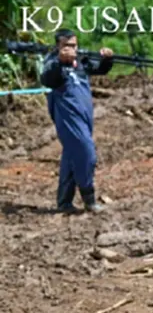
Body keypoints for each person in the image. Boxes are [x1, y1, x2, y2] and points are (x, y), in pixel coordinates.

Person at [40, 29, 112, 213]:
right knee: (86, 154)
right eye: (66, 46)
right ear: (58, 46)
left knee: (72, 156)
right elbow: (47, 78)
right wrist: (59, 61)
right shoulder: (52, 62)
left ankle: (64, 202)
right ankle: (89, 199)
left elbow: (100, 68)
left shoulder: (80, 62)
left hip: (85, 117)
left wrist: (107, 58)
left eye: (74, 45)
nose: (71, 49)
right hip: (68, 118)